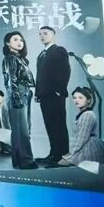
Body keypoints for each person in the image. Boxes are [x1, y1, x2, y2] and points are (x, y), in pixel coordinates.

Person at [35, 26, 71, 164]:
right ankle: (53, 153)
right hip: (44, 96)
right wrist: (38, 93)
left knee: (58, 125)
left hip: (55, 95)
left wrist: (59, 90)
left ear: (53, 35)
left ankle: (62, 156)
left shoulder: (59, 50)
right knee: (50, 125)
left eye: (45, 33)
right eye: (40, 34)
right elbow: (39, 76)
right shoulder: (41, 54)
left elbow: (65, 71)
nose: (42, 36)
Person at [52, 87, 104, 168]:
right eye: (74, 98)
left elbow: (82, 138)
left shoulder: (87, 115)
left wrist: (72, 154)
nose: (76, 100)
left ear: (88, 100)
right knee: (61, 162)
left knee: (61, 163)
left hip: (88, 146)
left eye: (80, 98)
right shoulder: (84, 114)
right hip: (85, 144)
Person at [2, 30, 37, 169]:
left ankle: (20, 161)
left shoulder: (19, 59)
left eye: (21, 40)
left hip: (24, 94)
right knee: (21, 130)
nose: (19, 42)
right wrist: (16, 98)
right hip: (17, 95)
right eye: (15, 39)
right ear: (7, 43)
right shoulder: (10, 58)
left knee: (24, 129)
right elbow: (10, 80)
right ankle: (25, 161)